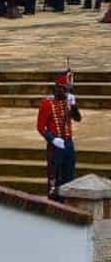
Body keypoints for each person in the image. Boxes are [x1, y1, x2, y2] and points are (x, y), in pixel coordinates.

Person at [36, 73, 81, 201]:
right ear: (56, 88)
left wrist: (74, 106)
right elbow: (40, 127)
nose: (66, 92)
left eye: (67, 90)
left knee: (69, 173)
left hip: (68, 143)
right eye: (64, 89)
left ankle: (68, 201)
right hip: (55, 144)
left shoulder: (68, 101)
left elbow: (77, 118)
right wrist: (52, 139)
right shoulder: (47, 103)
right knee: (54, 175)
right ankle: (54, 201)